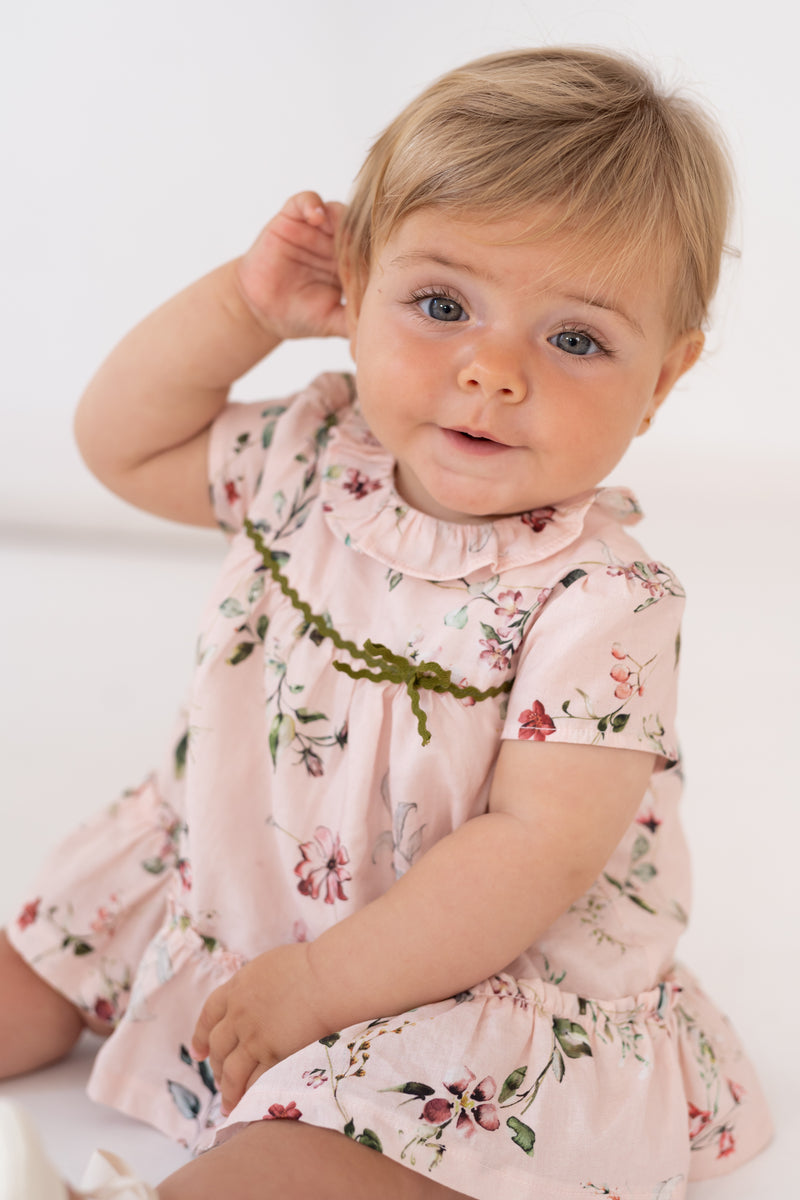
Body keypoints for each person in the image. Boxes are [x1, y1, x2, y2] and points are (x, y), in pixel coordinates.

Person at [0, 46, 772, 1200]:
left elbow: (531, 854)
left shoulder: (604, 602)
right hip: (228, 875)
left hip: (444, 971)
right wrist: (242, 307)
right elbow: (124, 443)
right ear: (353, 291)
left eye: (574, 340)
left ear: (661, 378)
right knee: (23, 974)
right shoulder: (310, 454)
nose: (491, 371)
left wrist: (315, 992)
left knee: (294, 1163)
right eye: (440, 304)